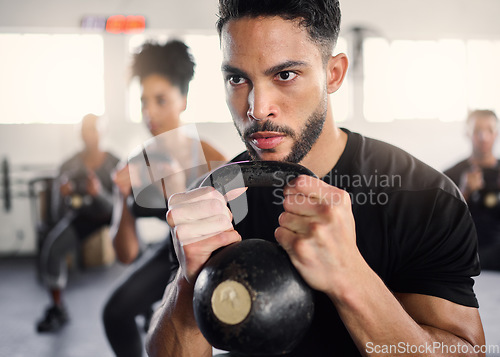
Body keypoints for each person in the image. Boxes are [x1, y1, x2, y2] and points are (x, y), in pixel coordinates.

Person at [146, 1, 486, 356]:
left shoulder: (426, 198)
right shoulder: (215, 199)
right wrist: (188, 285)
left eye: (285, 74)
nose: (257, 108)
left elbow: (467, 350)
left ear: (333, 74)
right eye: (237, 78)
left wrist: (350, 277)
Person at [102, 40, 226, 357]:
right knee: (115, 313)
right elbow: (126, 254)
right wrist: (120, 197)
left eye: (161, 100)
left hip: (210, 254)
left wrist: (176, 190)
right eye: (144, 101)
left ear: (182, 100)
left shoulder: (211, 159)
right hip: (168, 251)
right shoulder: (138, 162)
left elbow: (229, 229)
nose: (149, 113)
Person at [36, 113, 119, 333]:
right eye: (85, 130)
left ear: (101, 132)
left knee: (136, 252)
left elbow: (115, 207)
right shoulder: (69, 165)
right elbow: (57, 212)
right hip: (84, 218)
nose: (89, 135)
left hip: (112, 215)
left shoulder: (115, 163)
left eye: (93, 129)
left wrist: (98, 192)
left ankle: (147, 308)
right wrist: (63, 196)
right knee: (52, 249)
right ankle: (57, 308)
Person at [445, 109, 500, 271]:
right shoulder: (449, 175)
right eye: (477, 131)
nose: (484, 137)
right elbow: (439, 221)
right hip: (464, 252)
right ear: (467, 133)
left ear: (496, 133)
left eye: (489, 130)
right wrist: (464, 192)